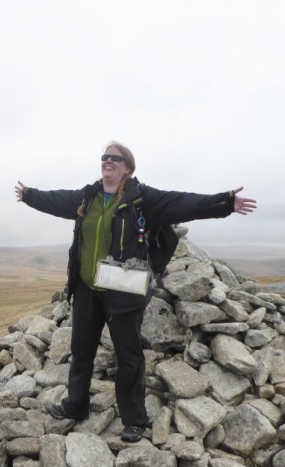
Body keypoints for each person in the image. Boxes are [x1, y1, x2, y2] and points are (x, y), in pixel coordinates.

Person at [15, 141, 257, 442]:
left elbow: (182, 202)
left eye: (115, 159)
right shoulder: (87, 197)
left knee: (128, 356)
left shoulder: (141, 199)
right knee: (81, 352)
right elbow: (55, 199)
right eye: (104, 157)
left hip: (123, 292)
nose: (108, 162)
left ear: (127, 167)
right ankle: (75, 406)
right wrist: (28, 196)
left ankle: (134, 419)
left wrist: (224, 203)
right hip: (88, 289)